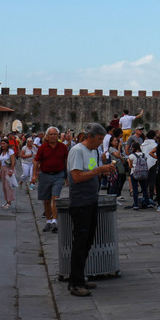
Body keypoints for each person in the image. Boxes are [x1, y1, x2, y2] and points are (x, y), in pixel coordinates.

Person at [65, 123, 116, 296]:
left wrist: (103, 172)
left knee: (87, 242)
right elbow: (76, 176)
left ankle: (79, 277)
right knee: (80, 243)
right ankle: (75, 283)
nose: (101, 143)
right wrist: (99, 170)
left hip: (91, 200)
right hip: (80, 201)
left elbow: (92, 171)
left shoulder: (93, 152)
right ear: (89, 136)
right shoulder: (77, 151)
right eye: (99, 139)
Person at [33, 127, 67, 232]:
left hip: (58, 175)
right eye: (51, 134)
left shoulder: (63, 147)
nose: (53, 136)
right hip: (45, 175)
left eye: (55, 134)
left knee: (55, 198)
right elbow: (36, 161)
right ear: (47, 136)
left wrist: (67, 176)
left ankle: (54, 222)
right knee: (46, 200)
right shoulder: (43, 147)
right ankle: (48, 221)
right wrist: (34, 175)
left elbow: (66, 161)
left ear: (58, 136)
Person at [0, 139, 17, 209]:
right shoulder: (1, 152)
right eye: (1, 143)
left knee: (8, 186)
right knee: (4, 187)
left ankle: (9, 202)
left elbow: (13, 161)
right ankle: (7, 201)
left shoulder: (10, 151)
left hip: (9, 168)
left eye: (4, 143)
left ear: (7, 144)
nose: (2, 145)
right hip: (3, 169)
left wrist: (11, 170)